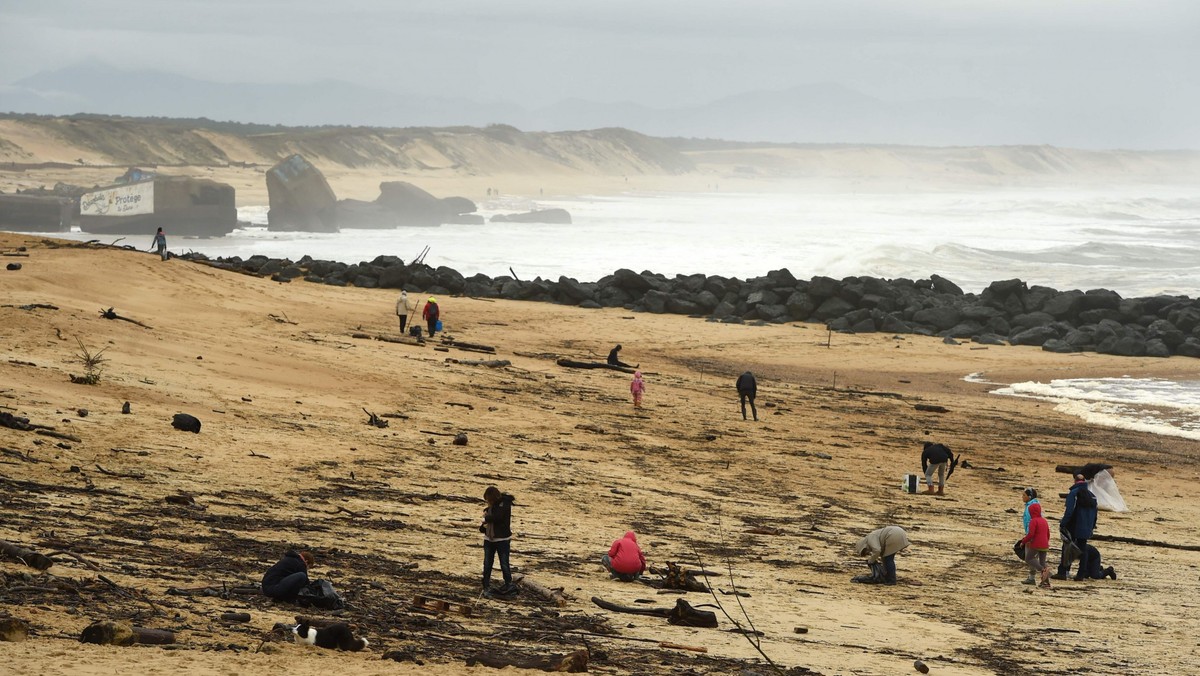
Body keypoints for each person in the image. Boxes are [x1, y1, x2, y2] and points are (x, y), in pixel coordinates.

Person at [1054, 474, 1098, 580]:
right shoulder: (1092, 496)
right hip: (1086, 527)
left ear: (1075, 481)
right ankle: (1081, 574)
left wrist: (1063, 523)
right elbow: (1095, 514)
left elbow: (1069, 511)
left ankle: (1063, 572)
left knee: (1067, 547)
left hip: (1073, 526)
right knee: (1083, 549)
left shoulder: (1074, 494)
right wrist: (1091, 527)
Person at [480, 485, 516, 597]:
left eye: (489, 500)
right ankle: (486, 585)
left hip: (502, 539)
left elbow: (499, 517)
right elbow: (483, 527)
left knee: (504, 563)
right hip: (489, 539)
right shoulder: (490, 509)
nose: (488, 502)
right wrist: (483, 525)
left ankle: (508, 584)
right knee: (487, 564)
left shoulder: (504, 504)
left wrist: (486, 519)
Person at [1018, 503, 1053, 587]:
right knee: (1042, 562)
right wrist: (1046, 542)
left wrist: (1023, 541)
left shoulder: (1033, 521)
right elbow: (1048, 533)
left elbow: (1031, 534)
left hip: (1036, 544)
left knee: (1029, 558)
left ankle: (1042, 570)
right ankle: (1045, 582)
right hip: (1045, 544)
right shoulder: (1044, 520)